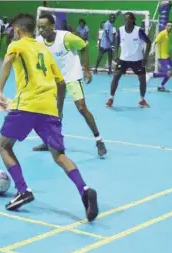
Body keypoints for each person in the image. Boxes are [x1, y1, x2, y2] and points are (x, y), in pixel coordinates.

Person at [0, 13, 98, 222]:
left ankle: (23, 190)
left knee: (4, 146)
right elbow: (60, 82)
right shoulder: (44, 49)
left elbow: (7, 61)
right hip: (49, 108)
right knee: (59, 155)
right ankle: (84, 189)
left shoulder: (17, 45)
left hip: (26, 105)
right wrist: (57, 111)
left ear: (19, 30)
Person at [33, 14, 106, 157]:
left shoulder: (65, 37)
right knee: (55, 113)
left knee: (81, 107)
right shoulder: (39, 41)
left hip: (72, 76)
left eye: (44, 27)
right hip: (57, 80)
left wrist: (86, 69)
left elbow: (84, 47)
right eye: (39, 27)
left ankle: (99, 141)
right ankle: (52, 142)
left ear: (52, 26)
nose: (41, 30)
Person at [105, 12, 151, 108]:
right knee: (116, 77)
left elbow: (148, 42)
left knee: (142, 79)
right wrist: (115, 56)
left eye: (129, 19)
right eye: (125, 19)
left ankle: (142, 100)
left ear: (133, 20)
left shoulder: (139, 31)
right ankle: (110, 98)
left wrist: (145, 57)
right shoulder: (120, 30)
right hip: (123, 60)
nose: (127, 21)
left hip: (137, 60)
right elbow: (116, 43)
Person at [147, 21, 172, 92]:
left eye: (171, 26)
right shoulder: (162, 33)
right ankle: (151, 75)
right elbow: (155, 42)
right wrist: (152, 50)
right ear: (165, 26)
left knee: (170, 72)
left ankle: (161, 86)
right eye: (168, 25)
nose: (170, 27)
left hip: (166, 56)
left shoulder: (169, 34)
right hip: (162, 57)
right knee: (167, 72)